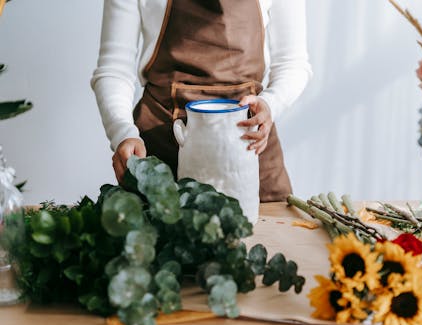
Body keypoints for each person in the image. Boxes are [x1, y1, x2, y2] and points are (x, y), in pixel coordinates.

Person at [91, 0, 312, 202]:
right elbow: (114, 69)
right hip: (161, 154)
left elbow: (292, 64)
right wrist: (123, 134)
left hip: (251, 150)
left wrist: (270, 104)